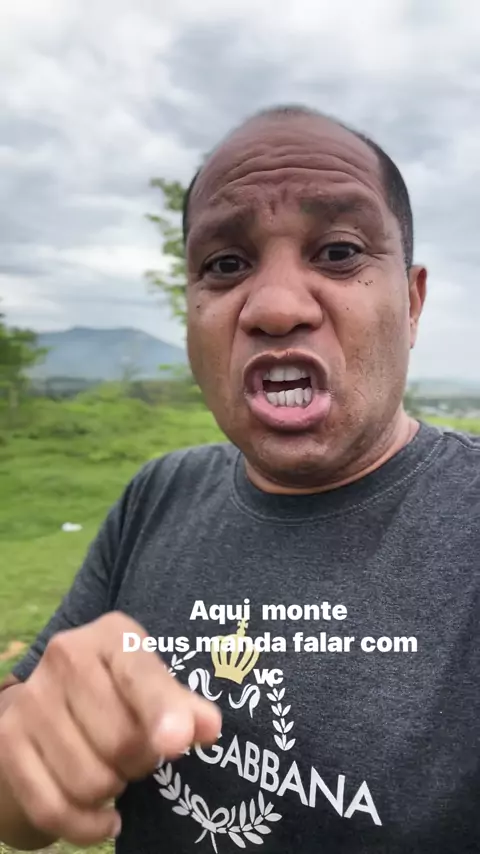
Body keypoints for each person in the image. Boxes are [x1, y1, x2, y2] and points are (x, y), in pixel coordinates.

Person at [0, 104, 479, 854]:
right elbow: (18, 806)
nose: (277, 308)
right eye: (225, 264)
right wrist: (25, 751)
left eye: (340, 251)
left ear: (412, 304)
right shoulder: (159, 494)